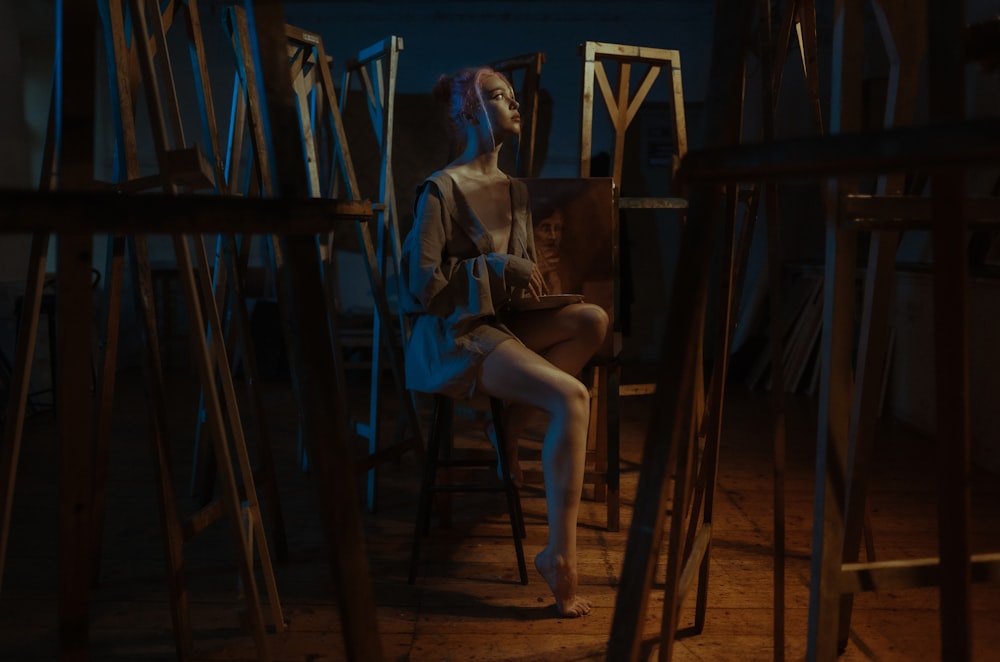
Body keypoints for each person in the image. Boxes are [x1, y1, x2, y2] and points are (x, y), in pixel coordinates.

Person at [400, 65, 608, 618]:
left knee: (592, 322)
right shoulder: (440, 190)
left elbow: (519, 283)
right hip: (453, 333)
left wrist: (543, 290)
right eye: (499, 96)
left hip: (499, 323)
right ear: (468, 112)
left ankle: (509, 429)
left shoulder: (516, 190)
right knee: (571, 397)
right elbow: (423, 289)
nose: (515, 104)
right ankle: (559, 559)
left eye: (513, 96)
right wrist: (491, 265)